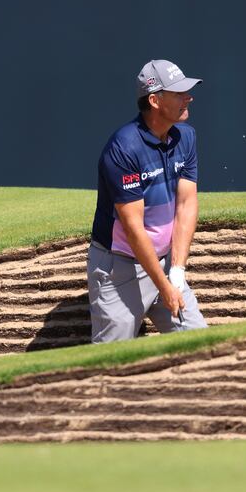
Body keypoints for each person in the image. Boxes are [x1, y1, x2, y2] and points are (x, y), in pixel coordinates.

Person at [87, 59, 208, 342]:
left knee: (199, 345)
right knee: (111, 362)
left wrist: (176, 272)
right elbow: (133, 228)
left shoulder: (186, 137)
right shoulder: (124, 148)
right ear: (154, 100)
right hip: (120, 271)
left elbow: (186, 205)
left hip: (165, 263)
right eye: (179, 93)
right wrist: (164, 287)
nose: (188, 97)